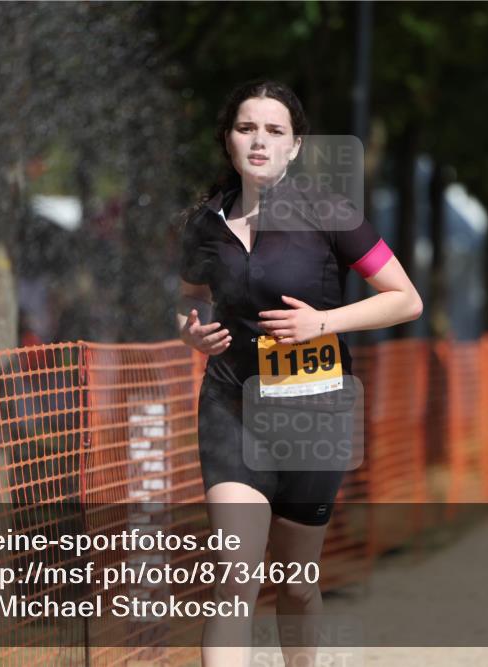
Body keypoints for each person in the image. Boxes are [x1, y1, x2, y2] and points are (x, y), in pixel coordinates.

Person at [176, 79, 422, 666]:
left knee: (295, 583)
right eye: (246, 128)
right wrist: (189, 330)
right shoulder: (204, 223)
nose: (259, 140)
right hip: (232, 408)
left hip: (315, 417)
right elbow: (188, 296)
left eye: (274, 130)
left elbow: (405, 299)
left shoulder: (330, 212)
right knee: (235, 577)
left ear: (295, 145)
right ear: (228, 140)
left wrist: (323, 322)